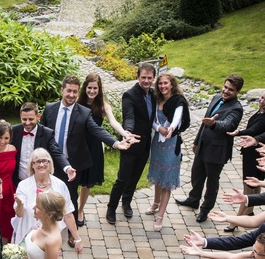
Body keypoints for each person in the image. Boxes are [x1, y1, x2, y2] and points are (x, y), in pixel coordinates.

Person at [42, 76, 130, 230]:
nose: (71, 95)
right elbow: (42, 132)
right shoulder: (50, 108)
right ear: (62, 90)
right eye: (68, 91)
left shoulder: (83, 113)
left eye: (74, 92)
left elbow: (97, 130)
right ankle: (48, 228)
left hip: (71, 164)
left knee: (70, 199)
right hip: (50, 162)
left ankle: (71, 231)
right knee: (47, 196)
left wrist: (116, 143)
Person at [176, 74, 245, 222]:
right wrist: (196, 142)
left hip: (217, 152)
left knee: (212, 182)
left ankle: (205, 210)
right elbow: (204, 123)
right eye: (225, 87)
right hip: (202, 146)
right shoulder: (216, 98)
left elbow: (228, 125)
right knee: (196, 174)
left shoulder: (237, 109)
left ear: (237, 91)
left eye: (230, 90)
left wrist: (214, 124)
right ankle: (193, 199)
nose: (226, 91)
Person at [76, 74, 130, 226]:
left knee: (87, 183)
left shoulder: (103, 106)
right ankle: (70, 209)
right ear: (84, 88)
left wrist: (125, 134)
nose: (92, 91)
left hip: (93, 147)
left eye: (95, 88)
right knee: (73, 180)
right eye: (89, 88)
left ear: (99, 89)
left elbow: (113, 122)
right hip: (78, 145)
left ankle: (80, 210)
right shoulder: (77, 103)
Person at [107, 63, 156, 223]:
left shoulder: (154, 95)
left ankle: (126, 202)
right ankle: (111, 208)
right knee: (123, 178)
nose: (146, 81)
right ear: (138, 77)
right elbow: (129, 116)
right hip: (130, 143)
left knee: (135, 177)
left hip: (145, 144)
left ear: (153, 78)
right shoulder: (129, 95)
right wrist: (127, 132)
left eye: (149, 78)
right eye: (144, 78)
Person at [10, 150, 83, 254]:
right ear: (32, 165)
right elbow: (19, 214)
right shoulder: (24, 185)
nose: (41, 164)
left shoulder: (60, 185)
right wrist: (20, 205)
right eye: (37, 162)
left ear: (50, 164)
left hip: (51, 238)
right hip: (28, 238)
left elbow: (68, 213)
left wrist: (77, 239)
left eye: (45, 161)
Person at [146, 72, 189, 231]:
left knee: (166, 182)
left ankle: (160, 215)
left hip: (171, 145)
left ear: (172, 84)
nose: (163, 86)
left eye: (166, 83)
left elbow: (177, 118)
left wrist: (170, 129)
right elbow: (152, 121)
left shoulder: (178, 101)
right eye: (160, 84)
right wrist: (159, 128)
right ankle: (155, 203)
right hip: (157, 144)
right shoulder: (157, 99)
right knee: (158, 176)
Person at [230, 86, 265, 220]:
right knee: (255, 184)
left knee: (248, 186)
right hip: (253, 152)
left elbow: (253, 130)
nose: (262, 101)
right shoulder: (262, 111)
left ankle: (237, 220)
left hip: (255, 154)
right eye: (262, 98)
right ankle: (250, 210)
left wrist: (238, 133)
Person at [9, 102, 68, 189]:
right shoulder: (13, 131)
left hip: (39, 181)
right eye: (24, 119)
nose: (27, 123)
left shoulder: (47, 133)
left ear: (38, 117)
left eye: (31, 119)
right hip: (17, 180)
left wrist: (67, 167)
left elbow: (56, 152)